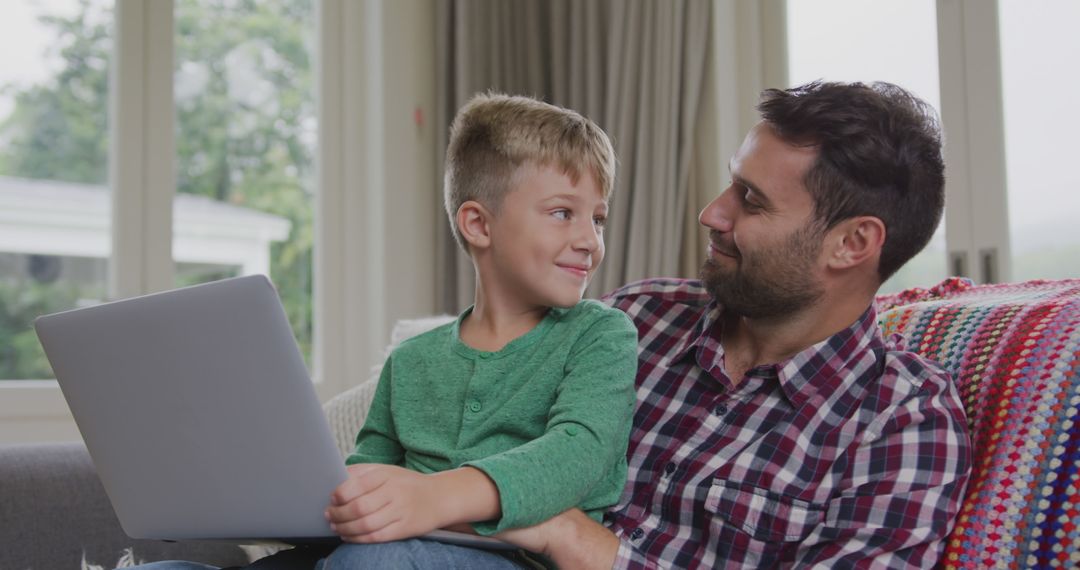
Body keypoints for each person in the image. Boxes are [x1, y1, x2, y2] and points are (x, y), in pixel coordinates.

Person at [129, 93, 637, 570]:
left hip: (504, 558)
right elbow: (367, 468)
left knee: (371, 561)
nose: (589, 240)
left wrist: (434, 496)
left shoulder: (600, 334)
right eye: (562, 213)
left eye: (598, 218)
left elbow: (577, 453)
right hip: (376, 552)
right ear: (479, 225)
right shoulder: (413, 360)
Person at [490, 81, 973, 568]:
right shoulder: (633, 318)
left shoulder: (903, 423)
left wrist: (578, 542)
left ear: (851, 243)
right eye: (732, 182)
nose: (712, 213)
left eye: (753, 200)